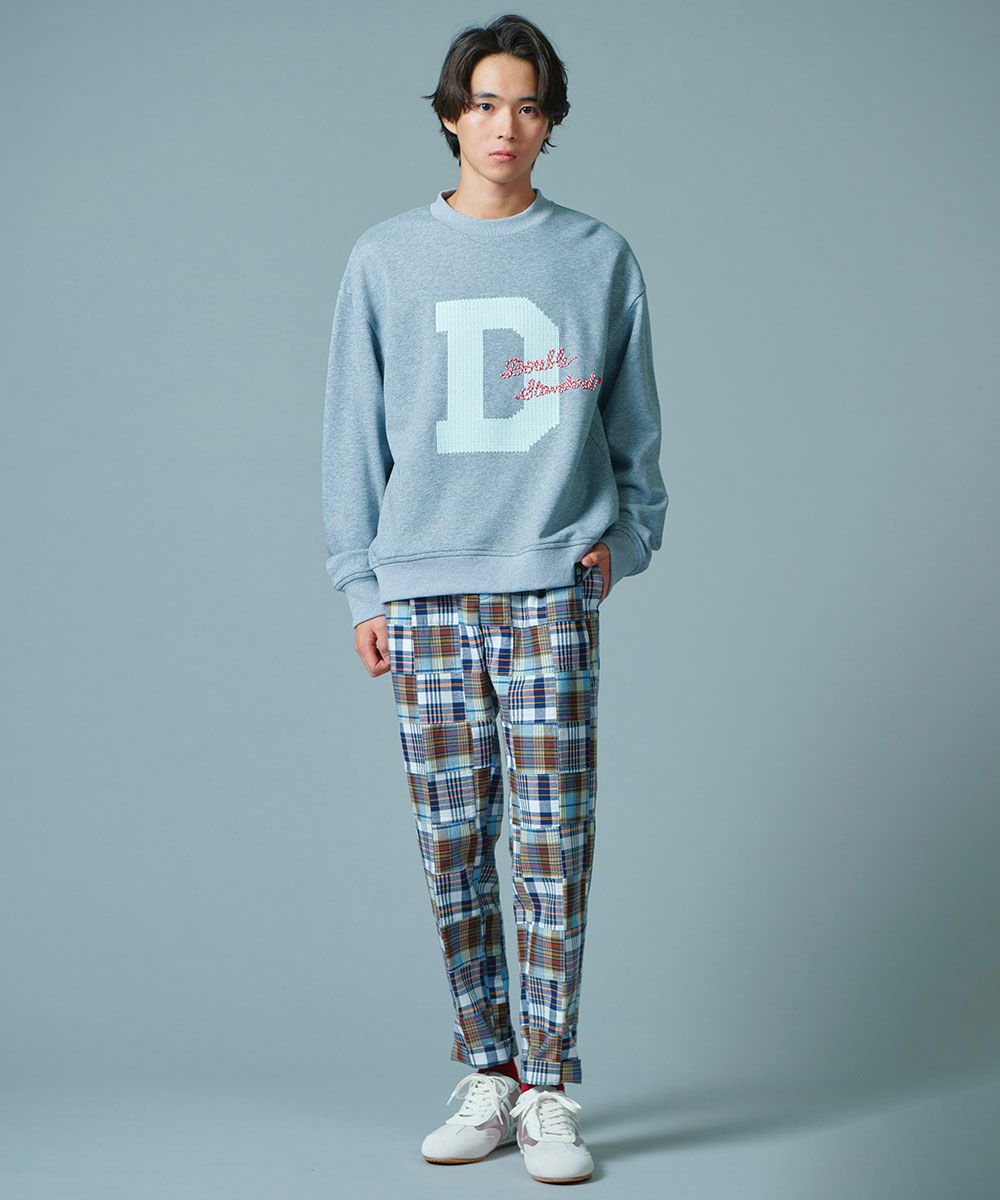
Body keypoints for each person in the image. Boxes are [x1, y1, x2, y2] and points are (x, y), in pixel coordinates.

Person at [321, 13, 667, 1186]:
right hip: (425, 599)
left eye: (525, 105)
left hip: (545, 592)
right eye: (482, 103)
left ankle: (550, 1086)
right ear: (448, 116)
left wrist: (622, 546)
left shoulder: (596, 257)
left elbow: (635, 432)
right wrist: (361, 582)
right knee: (453, 846)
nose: (503, 125)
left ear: (549, 121)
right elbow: (351, 433)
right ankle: (490, 1068)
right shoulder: (384, 259)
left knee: (553, 844)